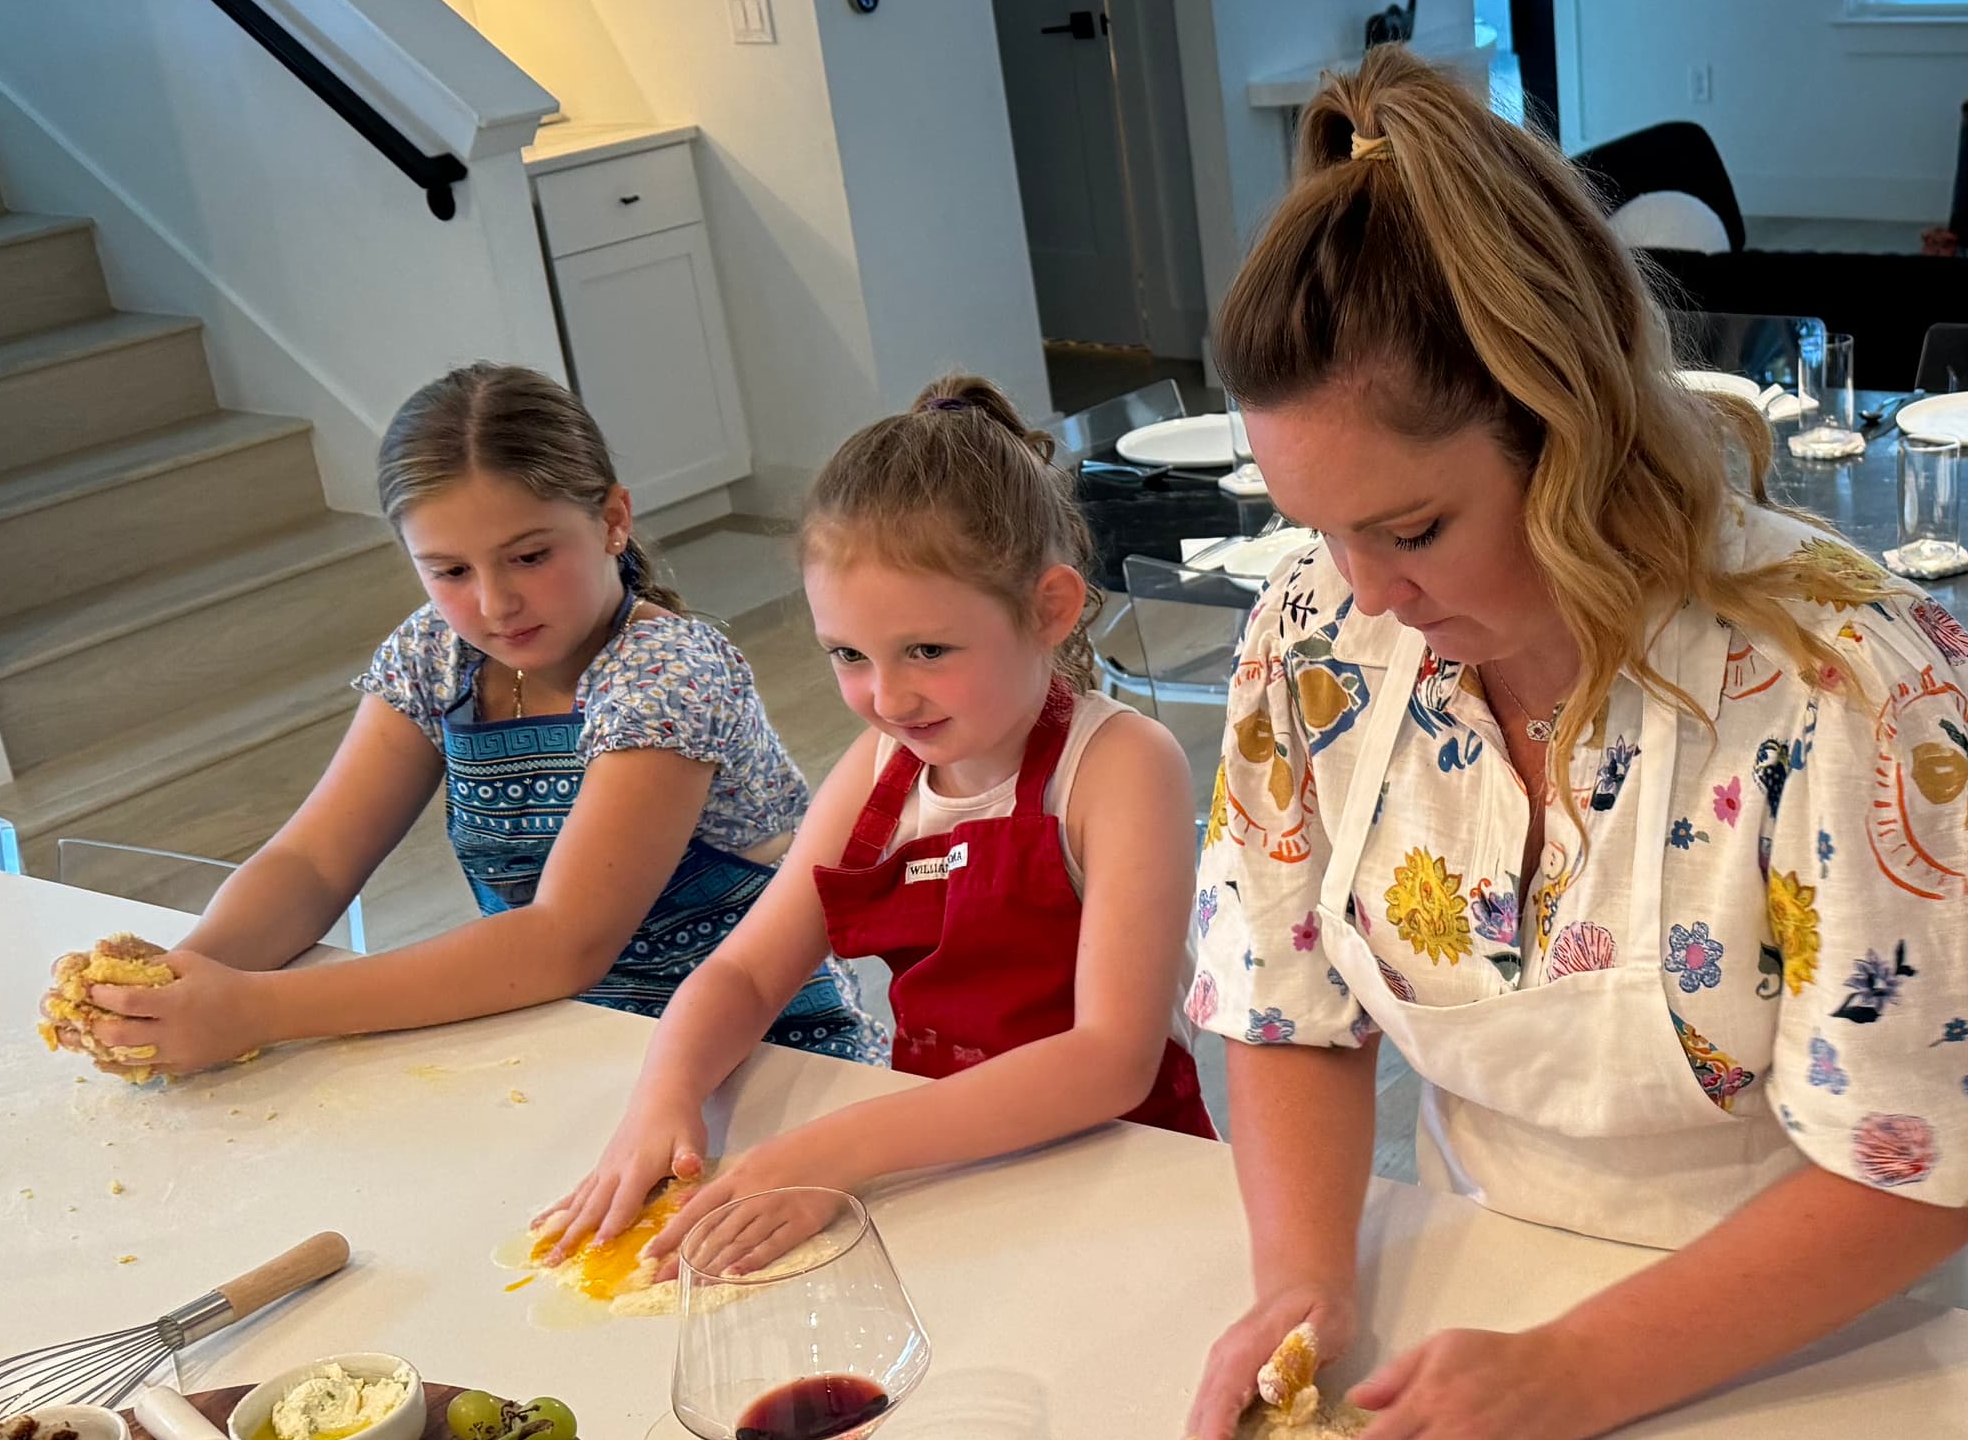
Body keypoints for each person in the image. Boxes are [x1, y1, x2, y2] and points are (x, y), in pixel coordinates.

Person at [1158, 49, 1968, 1440]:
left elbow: (1913, 1168)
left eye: (1414, 528)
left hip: (1828, 1361)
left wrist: (1573, 1376)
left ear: (1568, 433)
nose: (1367, 590)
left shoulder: (1854, 692)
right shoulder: (1318, 637)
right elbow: (1284, 1000)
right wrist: (1305, 1277)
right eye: (1316, 527)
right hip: (1489, 1304)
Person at [535, 378, 1207, 1275]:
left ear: (1050, 607)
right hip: (940, 1163)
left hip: (1128, 1173)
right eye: (849, 656)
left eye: (927, 651)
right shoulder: (881, 767)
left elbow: (1110, 1059)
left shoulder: (1122, 766)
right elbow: (742, 970)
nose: (886, 699)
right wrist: (663, 1097)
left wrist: (832, 1150)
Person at [74, 364, 867, 1077]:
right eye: (450, 571)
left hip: (759, 1057)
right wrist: (179, 981)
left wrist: (258, 1008)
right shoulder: (435, 653)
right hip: (563, 1039)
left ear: (612, 520)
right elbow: (314, 862)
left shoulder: (666, 674)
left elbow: (564, 942)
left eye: (529, 556)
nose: (494, 604)